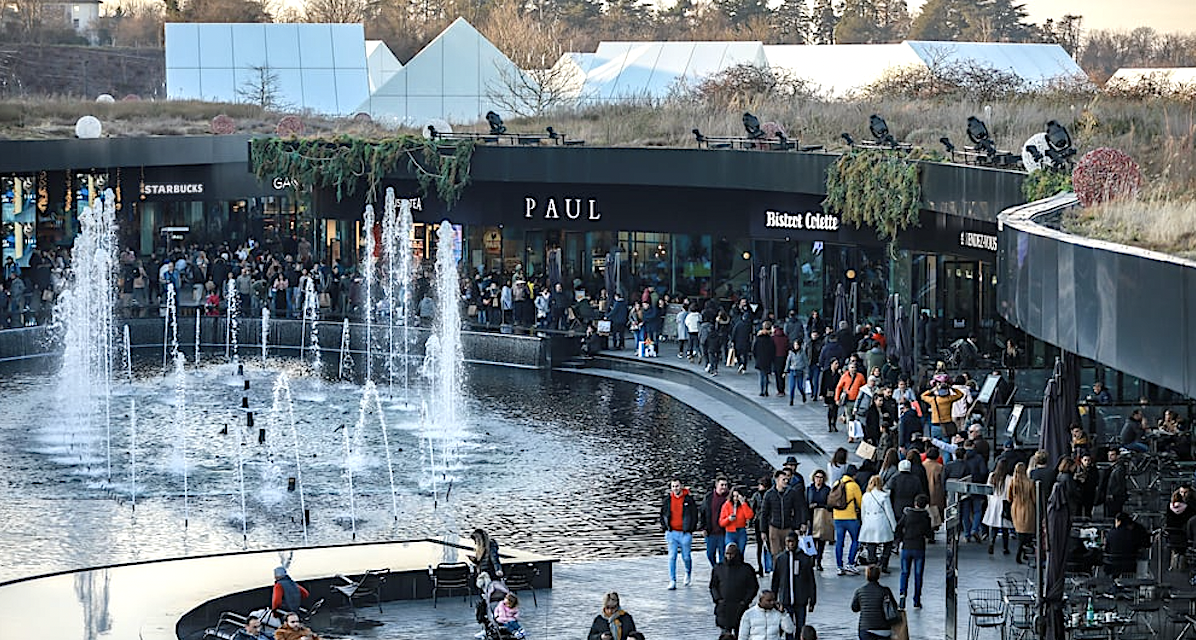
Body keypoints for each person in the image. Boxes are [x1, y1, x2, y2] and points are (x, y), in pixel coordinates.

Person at [710, 542, 759, 637]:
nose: (729, 556)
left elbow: (753, 587)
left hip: (740, 606)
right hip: (723, 607)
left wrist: (745, 601)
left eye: (731, 554)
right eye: (727, 554)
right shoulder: (718, 568)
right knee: (725, 634)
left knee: (740, 634)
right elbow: (713, 586)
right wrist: (718, 599)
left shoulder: (747, 569)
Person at [772, 531, 817, 633]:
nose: (791, 544)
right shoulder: (780, 559)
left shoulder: (805, 559)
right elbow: (776, 581)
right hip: (786, 600)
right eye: (788, 542)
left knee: (801, 627)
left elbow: (810, 581)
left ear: (797, 542)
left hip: (801, 600)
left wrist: (812, 600)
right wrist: (774, 600)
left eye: (793, 542)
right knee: (788, 628)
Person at [895, 494, 932, 610]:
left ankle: (902, 596)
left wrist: (901, 538)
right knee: (918, 575)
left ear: (915, 503)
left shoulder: (907, 514)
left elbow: (898, 527)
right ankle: (916, 600)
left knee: (905, 573)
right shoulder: (925, 517)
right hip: (919, 547)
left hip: (907, 546)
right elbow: (929, 533)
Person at [660, 478, 698, 589]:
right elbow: (662, 514)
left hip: (685, 533)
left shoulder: (688, 500)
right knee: (672, 556)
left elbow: (694, 515)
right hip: (671, 533)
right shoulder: (667, 500)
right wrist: (665, 527)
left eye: (677, 486)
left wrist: (691, 529)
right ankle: (672, 580)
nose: (675, 488)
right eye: (673, 486)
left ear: (681, 486)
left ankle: (688, 572)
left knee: (686, 557)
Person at [760, 469, 800, 567]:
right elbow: (764, 513)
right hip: (774, 527)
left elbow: (797, 510)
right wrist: (763, 531)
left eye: (787, 479)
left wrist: (797, 526)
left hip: (788, 526)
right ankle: (777, 572)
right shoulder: (769, 494)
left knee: (789, 550)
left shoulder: (792, 493)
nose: (786, 481)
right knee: (776, 553)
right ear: (777, 480)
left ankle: (788, 570)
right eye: (783, 479)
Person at [859, 475, 897, 573]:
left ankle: (872, 565)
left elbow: (863, 511)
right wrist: (894, 526)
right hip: (881, 521)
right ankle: (883, 564)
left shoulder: (865, 496)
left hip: (868, 521)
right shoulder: (884, 496)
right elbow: (889, 512)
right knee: (888, 543)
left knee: (871, 544)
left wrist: (864, 523)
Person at [831, 464, 864, 576]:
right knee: (856, 540)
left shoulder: (837, 483)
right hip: (851, 517)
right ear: (854, 475)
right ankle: (850, 563)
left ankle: (839, 566)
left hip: (837, 517)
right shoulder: (854, 486)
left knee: (839, 542)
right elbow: (860, 502)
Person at [851, 565, 896, 640]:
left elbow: (854, 608)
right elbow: (894, 606)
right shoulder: (885, 591)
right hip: (884, 629)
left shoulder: (860, 591)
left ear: (867, 575)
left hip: (866, 629)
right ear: (879, 575)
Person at [1007, 462, 1036, 565]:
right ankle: (1024, 552)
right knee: (1028, 531)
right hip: (1028, 507)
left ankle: (1020, 553)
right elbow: (1034, 498)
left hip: (1016, 507)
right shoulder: (1030, 482)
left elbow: (1009, 497)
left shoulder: (1013, 482)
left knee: (1020, 531)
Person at [983, 459, 1014, 555]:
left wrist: (989, 500)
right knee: (1005, 527)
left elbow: (988, 490)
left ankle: (991, 543)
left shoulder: (992, 476)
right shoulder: (1009, 478)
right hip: (1003, 503)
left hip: (993, 502)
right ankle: (1005, 548)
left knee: (993, 526)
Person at [700, 476, 732, 567]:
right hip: (711, 532)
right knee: (710, 554)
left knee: (723, 554)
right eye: (722, 485)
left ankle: (722, 572)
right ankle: (716, 569)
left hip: (724, 532)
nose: (724, 487)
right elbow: (702, 512)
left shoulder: (729, 497)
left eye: (725, 485)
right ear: (716, 485)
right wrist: (703, 528)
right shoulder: (708, 497)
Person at [470, 529, 509, 600]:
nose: (475, 543)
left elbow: (495, 559)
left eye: (476, 540)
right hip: (483, 572)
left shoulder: (490, 546)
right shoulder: (480, 548)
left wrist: (498, 570)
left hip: (489, 572)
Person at [806, 469, 833, 571]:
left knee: (821, 540)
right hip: (811, 517)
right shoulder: (809, 489)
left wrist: (818, 505)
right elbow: (806, 503)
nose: (819, 479)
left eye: (821, 477)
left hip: (822, 517)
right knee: (810, 540)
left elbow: (829, 504)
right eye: (817, 477)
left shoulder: (826, 490)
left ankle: (819, 561)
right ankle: (811, 560)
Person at [720, 486, 755, 560]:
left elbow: (749, 516)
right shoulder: (726, 505)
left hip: (741, 531)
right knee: (730, 552)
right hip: (730, 532)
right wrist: (728, 519)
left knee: (740, 553)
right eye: (734, 496)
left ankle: (739, 568)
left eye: (737, 496)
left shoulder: (743, 505)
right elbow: (721, 523)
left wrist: (743, 503)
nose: (735, 499)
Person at [749, 476, 773, 575]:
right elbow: (752, 508)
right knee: (760, 545)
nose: (759, 486)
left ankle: (770, 566)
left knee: (769, 545)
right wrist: (751, 521)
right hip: (758, 522)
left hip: (769, 522)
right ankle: (761, 566)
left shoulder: (770, 495)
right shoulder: (756, 495)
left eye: (761, 485)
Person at [754, 325, 777, 397]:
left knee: (761, 375)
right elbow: (773, 350)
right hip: (768, 359)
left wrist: (756, 357)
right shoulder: (770, 340)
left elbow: (754, 350)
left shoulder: (758, 339)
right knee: (766, 375)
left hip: (760, 359)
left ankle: (762, 391)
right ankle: (766, 390)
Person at [822, 359, 842, 432]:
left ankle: (834, 424)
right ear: (831, 364)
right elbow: (823, 383)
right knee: (831, 408)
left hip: (836, 393)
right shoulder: (826, 372)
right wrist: (822, 394)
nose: (837, 365)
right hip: (828, 393)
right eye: (835, 363)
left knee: (835, 409)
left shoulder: (838, 374)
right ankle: (830, 424)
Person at [786, 340, 809, 405]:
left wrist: (806, 371)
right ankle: (791, 400)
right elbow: (788, 361)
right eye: (794, 345)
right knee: (792, 386)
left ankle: (803, 394)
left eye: (797, 345)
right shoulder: (791, 352)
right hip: (792, 370)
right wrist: (785, 370)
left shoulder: (802, 352)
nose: (795, 346)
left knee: (800, 386)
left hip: (800, 370)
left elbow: (806, 362)